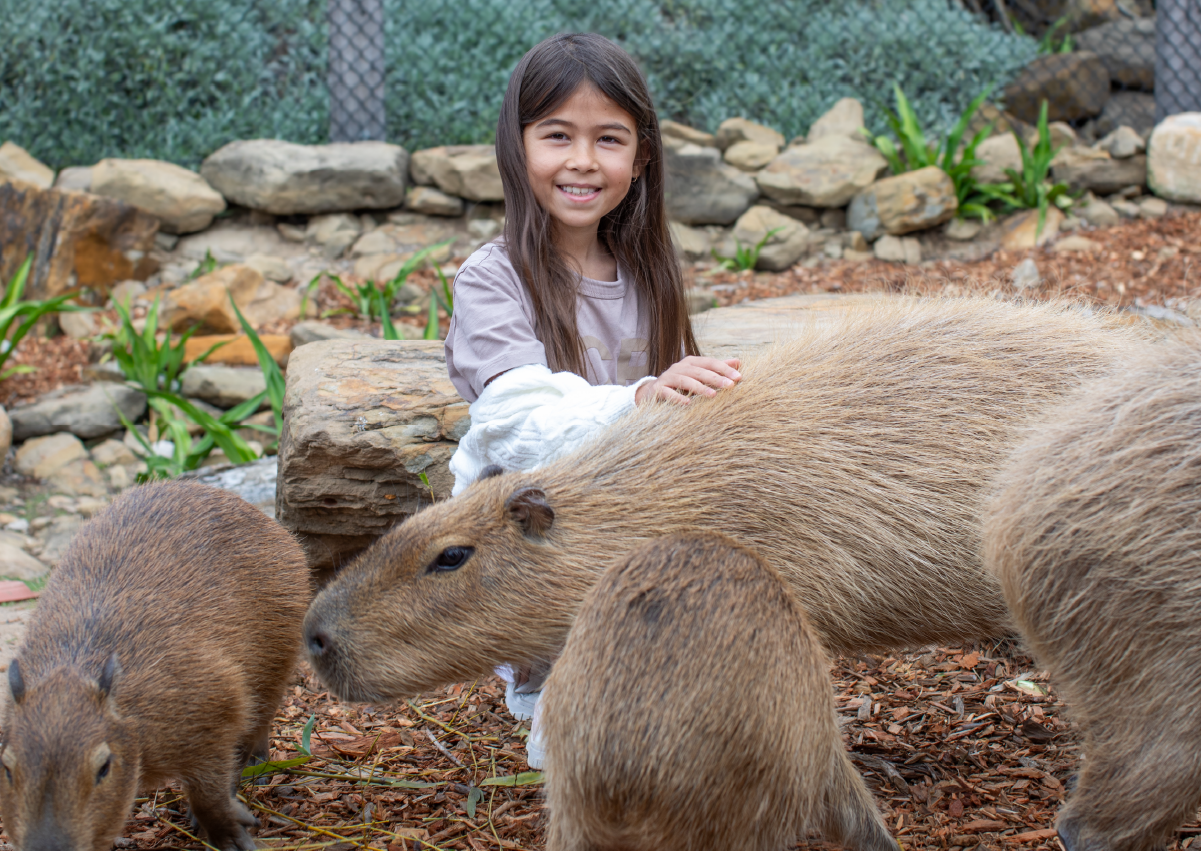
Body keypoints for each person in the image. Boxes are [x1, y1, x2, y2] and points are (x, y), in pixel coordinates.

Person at [443, 32, 742, 765]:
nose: (581, 160)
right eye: (556, 136)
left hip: (628, 509)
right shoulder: (493, 278)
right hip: (531, 525)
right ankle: (561, 715)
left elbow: (676, 408)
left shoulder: (647, 272)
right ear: (517, 149)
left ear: (640, 158)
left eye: (608, 139)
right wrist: (640, 397)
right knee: (592, 739)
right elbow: (516, 420)